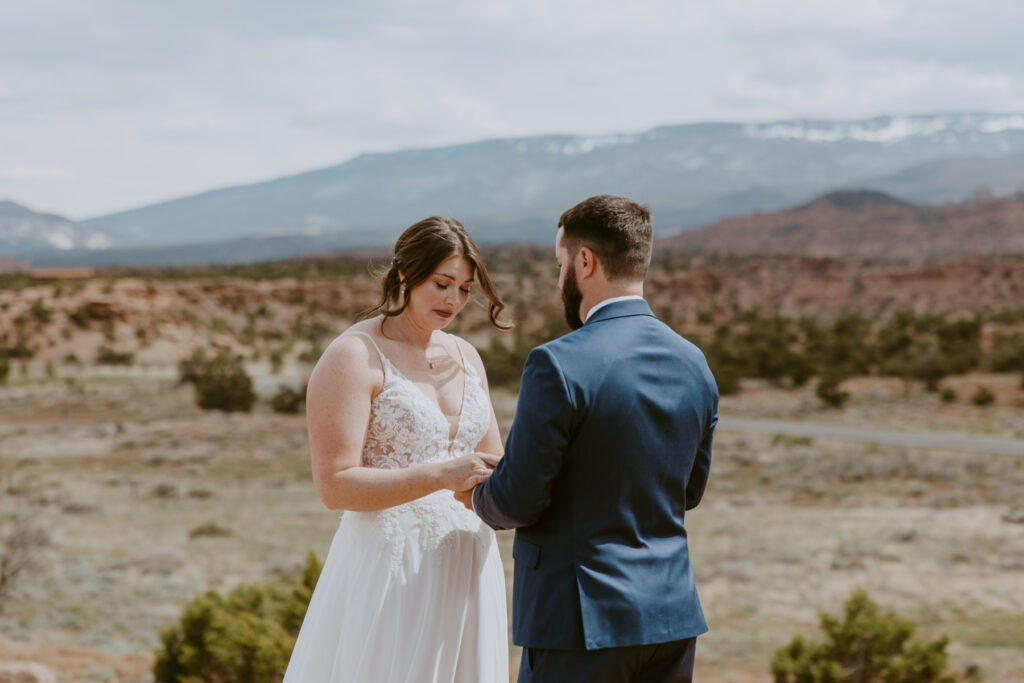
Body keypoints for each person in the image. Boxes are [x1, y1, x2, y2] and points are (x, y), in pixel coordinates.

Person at [463, 195, 718, 682]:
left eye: (560, 264)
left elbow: (516, 502)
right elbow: (688, 491)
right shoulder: (694, 362)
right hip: (671, 618)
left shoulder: (556, 363)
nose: (559, 278)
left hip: (580, 624)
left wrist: (474, 494)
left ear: (585, 261)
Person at [283, 216, 511, 682]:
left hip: (469, 563)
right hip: (391, 567)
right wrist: (442, 476)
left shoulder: (468, 356)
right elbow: (335, 486)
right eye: (442, 283)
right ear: (405, 273)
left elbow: (493, 463)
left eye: (465, 289)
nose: (454, 300)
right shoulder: (353, 354)